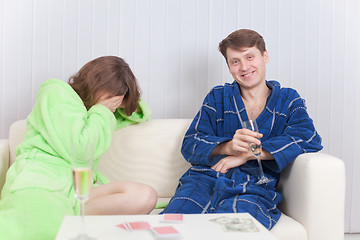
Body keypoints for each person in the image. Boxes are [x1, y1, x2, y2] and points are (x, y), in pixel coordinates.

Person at [162, 29, 323, 229]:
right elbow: (190, 144)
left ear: (265, 56)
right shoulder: (217, 97)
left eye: (249, 57)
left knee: (236, 229)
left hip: (254, 186)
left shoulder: (288, 99)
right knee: (172, 225)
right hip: (205, 178)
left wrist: (249, 154)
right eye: (235, 61)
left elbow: (307, 139)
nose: (244, 67)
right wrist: (228, 147)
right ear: (229, 66)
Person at [0, 56, 158, 239]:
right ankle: (68, 224)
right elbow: (80, 149)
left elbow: (138, 113)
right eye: (110, 100)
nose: (113, 108)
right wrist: (102, 110)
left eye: (116, 104)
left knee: (144, 196)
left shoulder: (94, 116)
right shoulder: (56, 93)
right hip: (43, 181)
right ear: (94, 83)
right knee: (39, 225)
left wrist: (114, 103)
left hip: (77, 191)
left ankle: (70, 222)